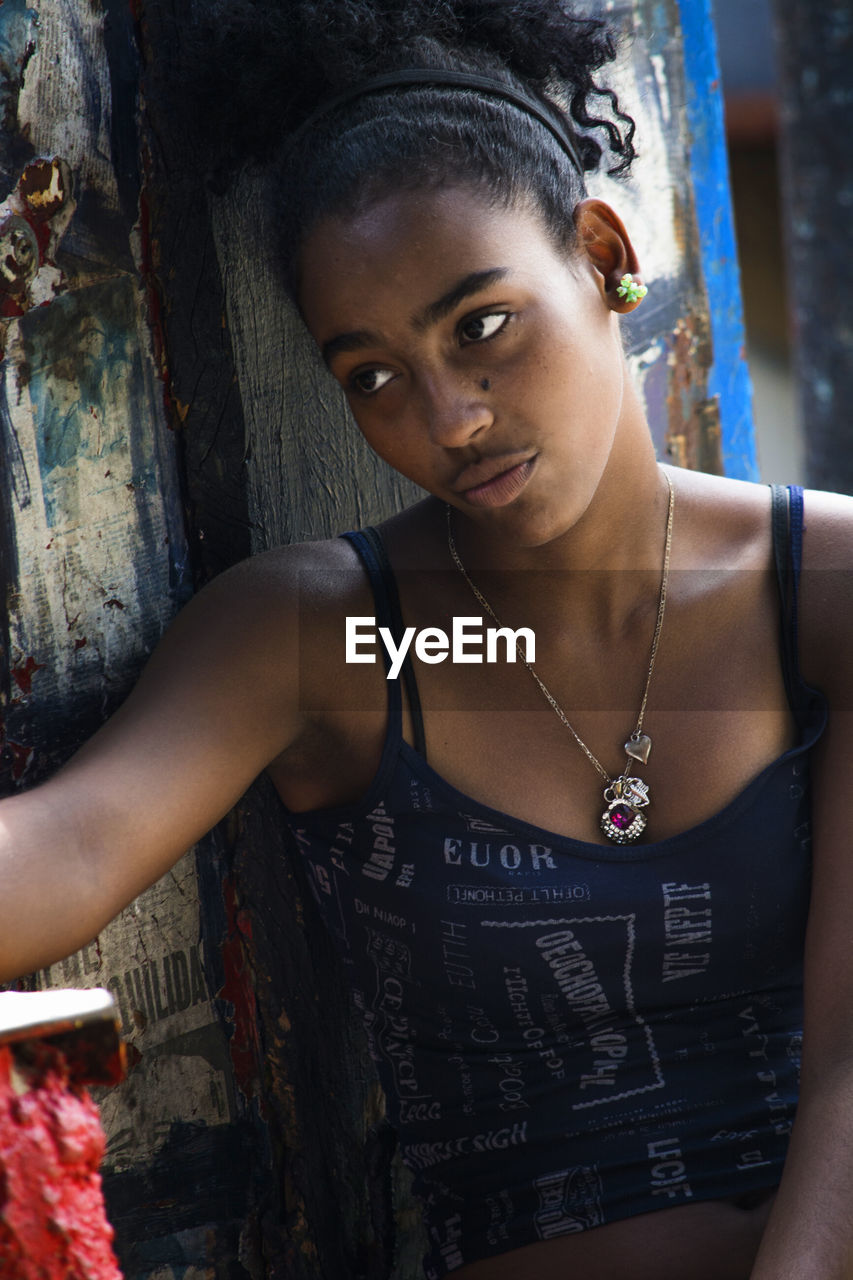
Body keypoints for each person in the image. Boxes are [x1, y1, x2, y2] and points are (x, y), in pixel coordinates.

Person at [2, 1, 852, 1276]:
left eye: (482, 324)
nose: (450, 416)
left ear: (602, 252)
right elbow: (62, 847)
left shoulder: (822, 591)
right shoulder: (331, 640)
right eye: (374, 375)